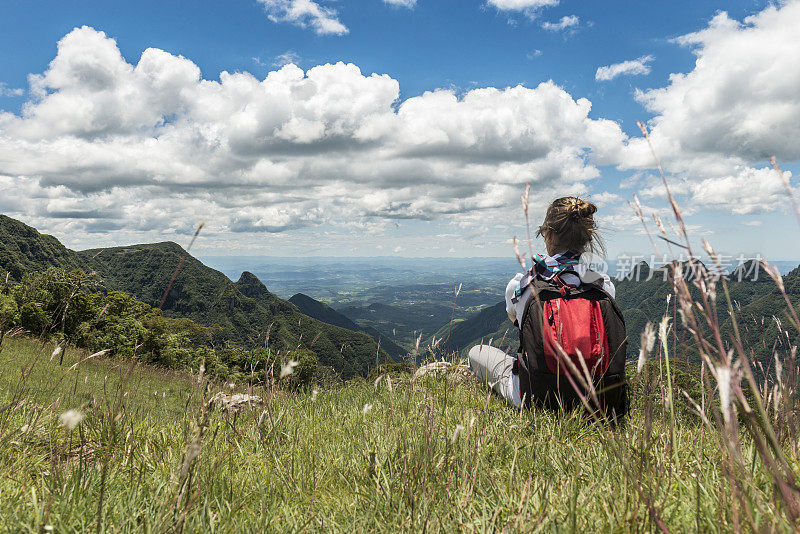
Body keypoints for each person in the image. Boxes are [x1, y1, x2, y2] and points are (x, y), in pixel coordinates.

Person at [468, 196, 628, 419]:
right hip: (599, 401)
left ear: (549, 234)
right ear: (587, 239)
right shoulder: (604, 286)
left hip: (536, 399)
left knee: (477, 352)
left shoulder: (521, 286)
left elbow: (516, 323)